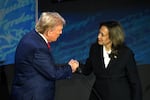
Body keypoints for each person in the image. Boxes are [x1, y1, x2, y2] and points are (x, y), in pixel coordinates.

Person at [11, 12, 78, 100]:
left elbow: (45, 66)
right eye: (59, 30)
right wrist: (70, 67)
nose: (61, 33)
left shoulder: (32, 37)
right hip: (33, 95)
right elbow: (52, 73)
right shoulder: (38, 47)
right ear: (49, 31)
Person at [72, 20, 143, 100]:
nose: (98, 36)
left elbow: (135, 82)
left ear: (113, 37)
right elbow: (87, 70)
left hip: (120, 96)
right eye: (99, 33)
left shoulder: (126, 53)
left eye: (102, 35)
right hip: (98, 96)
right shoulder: (94, 49)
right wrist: (77, 67)